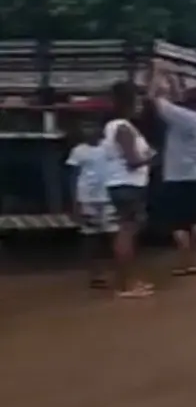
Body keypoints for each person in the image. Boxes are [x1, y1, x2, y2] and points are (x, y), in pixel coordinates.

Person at [146, 61, 196, 277]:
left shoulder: (179, 117)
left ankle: (183, 259)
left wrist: (158, 74)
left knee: (177, 221)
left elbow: (153, 99)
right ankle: (192, 260)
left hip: (177, 176)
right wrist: (173, 79)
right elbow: (176, 103)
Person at [102, 80, 155, 299]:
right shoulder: (122, 127)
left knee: (126, 234)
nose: (141, 105)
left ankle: (127, 282)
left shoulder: (116, 126)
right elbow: (132, 160)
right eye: (138, 101)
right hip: (128, 186)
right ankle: (126, 285)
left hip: (122, 185)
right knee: (126, 235)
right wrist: (151, 158)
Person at [66, 120, 117, 287]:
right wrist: (75, 202)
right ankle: (95, 274)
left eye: (92, 125)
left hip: (109, 197)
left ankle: (119, 270)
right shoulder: (78, 151)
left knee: (115, 235)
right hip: (87, 199)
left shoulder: (108, 147)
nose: (89, 130)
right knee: (90, 237)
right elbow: (73, 177)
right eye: (85, 126)